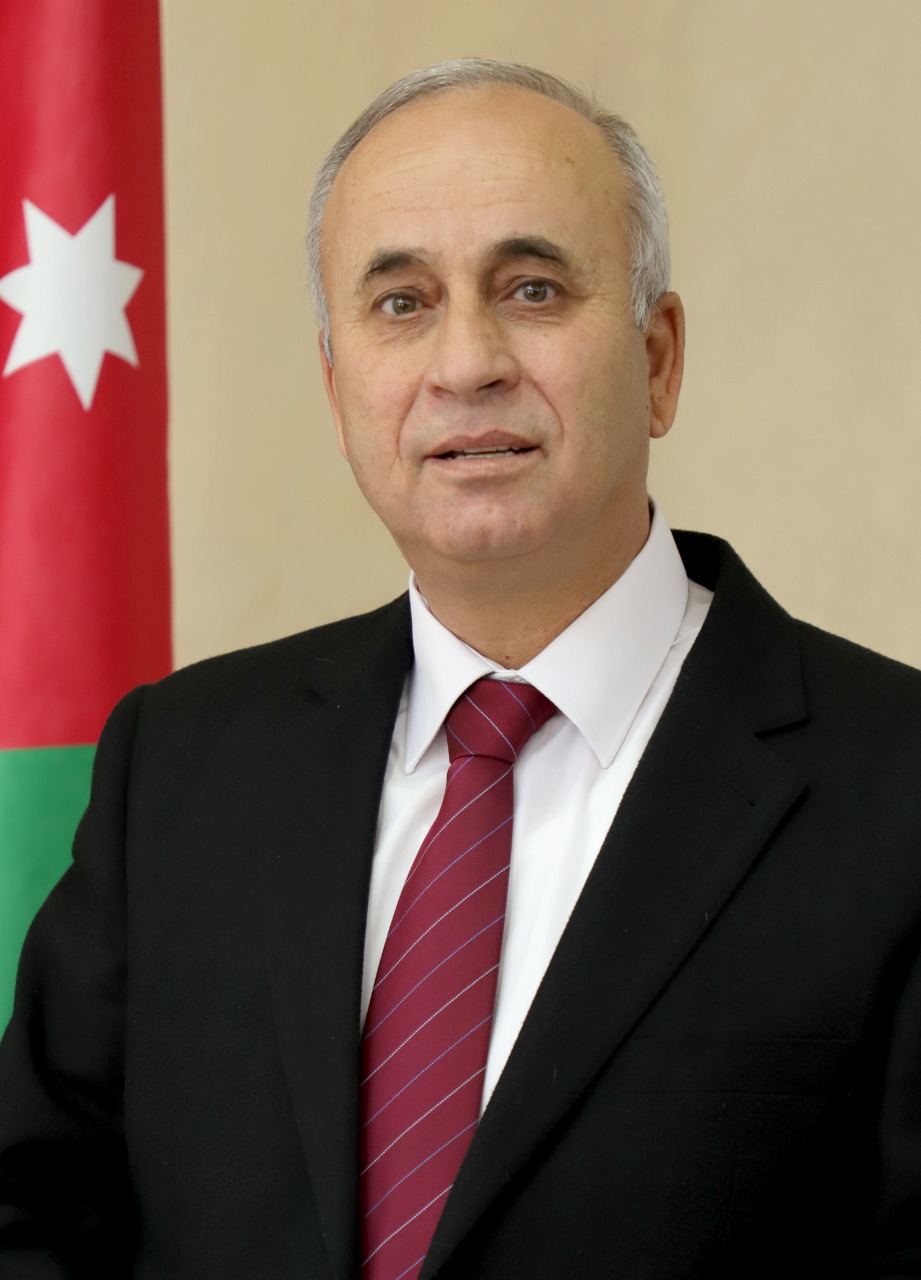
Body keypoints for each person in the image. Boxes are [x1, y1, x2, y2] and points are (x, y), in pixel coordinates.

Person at [1, 57, 920, 1280]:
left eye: (533, 288)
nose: (466, 361)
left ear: (657, 359)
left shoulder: (898, 789)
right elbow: (32, 1216)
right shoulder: (177, 766)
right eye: (402, 302)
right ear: (338, 387)